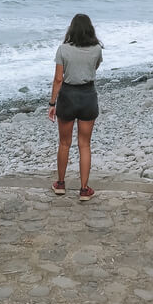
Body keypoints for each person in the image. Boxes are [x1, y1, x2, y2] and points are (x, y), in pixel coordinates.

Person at [47, 13, 103, 201]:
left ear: (71, 29)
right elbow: (94, 69)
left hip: (68, 96)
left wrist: (52, 103)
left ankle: (61, 184)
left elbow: (58, 79)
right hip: (88, 96)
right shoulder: (96, 49)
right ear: (90, 30)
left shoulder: (62, 49)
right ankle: (84, 189)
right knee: (84, 144)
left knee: (64, 143)